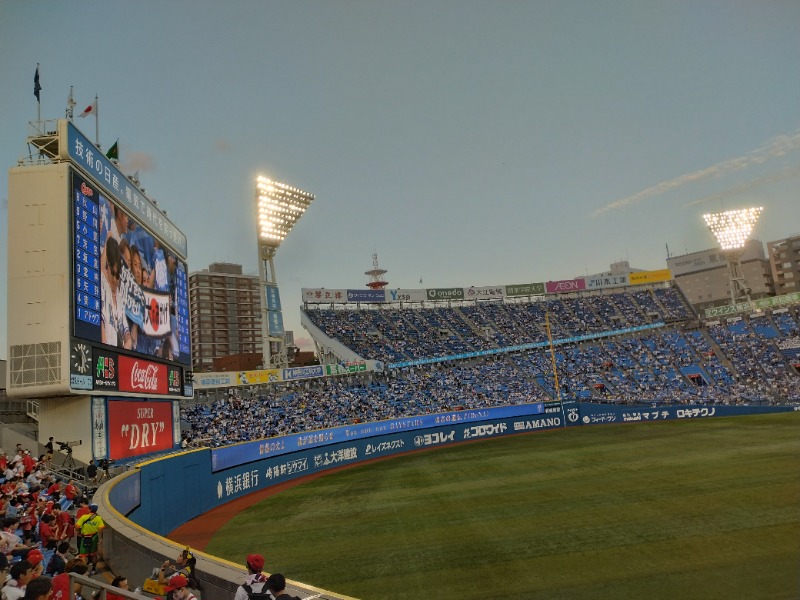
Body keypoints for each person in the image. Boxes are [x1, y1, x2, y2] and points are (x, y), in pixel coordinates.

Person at [75, 504, 104, 570]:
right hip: (94, 537)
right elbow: (101, 529)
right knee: (93, 554)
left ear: (90, 509)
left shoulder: (84, 517)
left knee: (83, 555)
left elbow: (77, 526)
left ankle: (85, 570)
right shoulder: (98, 518)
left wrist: (79, 532)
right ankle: (94, 569)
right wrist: (101, 538)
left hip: (84, 538)